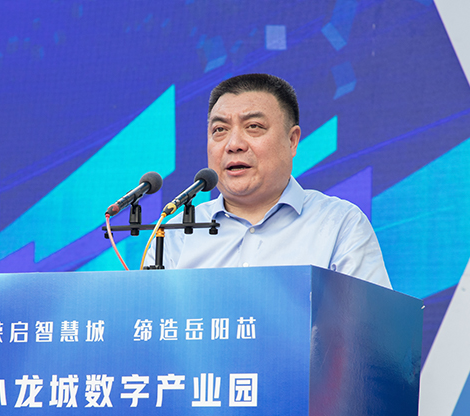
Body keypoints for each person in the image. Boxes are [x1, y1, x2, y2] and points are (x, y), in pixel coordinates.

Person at [146, 73, 391, 289]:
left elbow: (371, 324)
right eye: (219, 130)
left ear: (292, 140)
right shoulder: (174, 235)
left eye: (253, 126)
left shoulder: (339, 225)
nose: (233, 144)